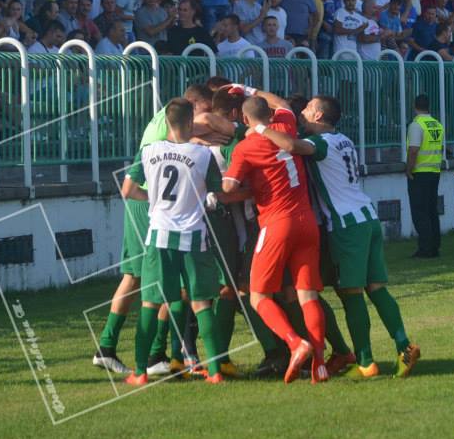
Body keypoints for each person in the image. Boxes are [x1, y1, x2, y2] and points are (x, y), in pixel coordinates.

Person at [259, 95, 421, 378]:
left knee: (352, 293)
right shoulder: (343, 139)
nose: (302, 112)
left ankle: (366, 362)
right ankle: (402, 345)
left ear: (318, 116)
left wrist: (259, 127)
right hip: (367, 217)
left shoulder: (319, 143)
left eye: (308, 108)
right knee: (377, 288)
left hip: (347, 225)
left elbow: (291, 146)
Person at [222, 89, 331, 384]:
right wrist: (248, 90)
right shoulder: (286, 125)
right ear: (269, 115)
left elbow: (229, 187)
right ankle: (320, 363)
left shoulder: (245, 147)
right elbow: (282, 104)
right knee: (307, 295)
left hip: (276, 223)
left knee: (257, 295)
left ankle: (295, 343)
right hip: (306, 221)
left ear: (245, 119)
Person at [119, 98, 228, 386]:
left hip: (160, 236)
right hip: (194, 237)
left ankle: (140, 372)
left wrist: (152, 199)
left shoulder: (148, 150)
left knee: (150, 304)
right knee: (201, 304)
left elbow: (127, 190)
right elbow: (217, 194)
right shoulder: (202, 154)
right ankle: (215, 371)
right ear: (191, 122)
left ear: (167, 122)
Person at [405, 94, 443, 258]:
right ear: (429, 107)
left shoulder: (416, 125)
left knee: (420, 212)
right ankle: (434, 246)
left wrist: (409, 169)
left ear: (414, 106)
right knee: (431, 210)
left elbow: (413, 150)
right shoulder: (437, 124)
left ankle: (425, 248)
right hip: (434, 171)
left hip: (419, 173)